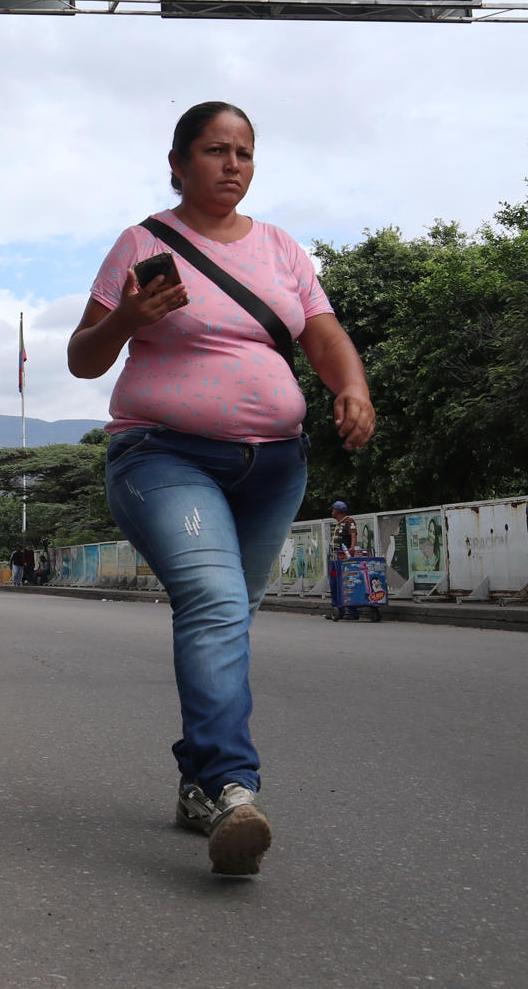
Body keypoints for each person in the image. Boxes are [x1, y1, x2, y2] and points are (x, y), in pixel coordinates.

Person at [65, 100, 374, 878]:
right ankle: (234, 789)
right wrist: (129, 316)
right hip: (162, 454)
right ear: (178, 163)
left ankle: (199, 782)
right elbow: (83, 359)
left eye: (243, 152)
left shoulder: (280, 249)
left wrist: (352, 386)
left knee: (231, 620)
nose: (231, 165)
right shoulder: (143, 243)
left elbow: (322, 332)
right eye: (213, 151)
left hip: (274, 467)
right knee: (215, 602)